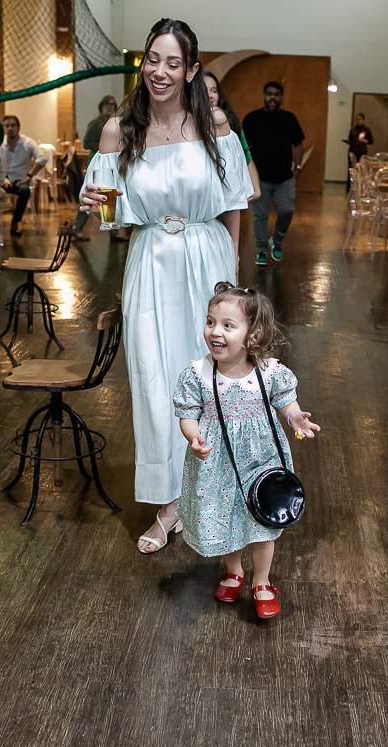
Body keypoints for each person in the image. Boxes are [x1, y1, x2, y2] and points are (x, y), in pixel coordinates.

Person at [78, 18, 253, 553]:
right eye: (153, 59)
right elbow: (109, 217)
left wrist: (235, 288)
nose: (161, 70)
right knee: (157, 385)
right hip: (151, 261)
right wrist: (90, 205)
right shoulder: (118, 132)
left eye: (174, 62)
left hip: (208, 259)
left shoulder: (215, 125)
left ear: (192, 70)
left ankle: (215, 497)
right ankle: (167, 507)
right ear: (143, 64)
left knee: (211, 380)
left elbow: (234, 206)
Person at [174, 283, 319, 618]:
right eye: (211, 322)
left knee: (260, 522)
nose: (215, 332)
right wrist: (193, 437)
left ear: (253, 333)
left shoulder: (268, 372)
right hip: (217, 464)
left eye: (228, 325)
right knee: (227, 519)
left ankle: (262, 581)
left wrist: (295, 417)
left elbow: (285, 400)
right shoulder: (198, 374)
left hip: (260, 461)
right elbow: (187, 413)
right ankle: (235, 571)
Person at [243, 81, 304, 267]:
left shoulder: (289, 118)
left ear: (281, 97)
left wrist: (298, 167)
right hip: (260, 178)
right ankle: (261, 250)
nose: (272, 97)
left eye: (276, 94)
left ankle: (276, 240)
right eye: (269, 94)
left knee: (287, 211)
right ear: (263, 95)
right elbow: (243, 146)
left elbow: (298, 143)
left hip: (284, 178)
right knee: (260, 217)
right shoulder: (252, 118)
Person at [203, 72, 259, 202]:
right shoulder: (186, 124)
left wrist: (256, 190)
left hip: (227, 194)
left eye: (214, 91)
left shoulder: (232, 122)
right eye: (204, 91)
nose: (210, 96)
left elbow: (245, 155)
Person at [71, 95, 118, 241]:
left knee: (111, 197)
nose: (110, 106)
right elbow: (86, 143)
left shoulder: (115, 122)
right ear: (101, 106)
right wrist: (104, 146)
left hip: (112, 163)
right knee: (90, 196)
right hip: (97, 163)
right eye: (107, 104)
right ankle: (77, 228)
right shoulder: (96, 123)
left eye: (112, 104)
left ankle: (113, 232)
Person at [0, 115, 48, 237]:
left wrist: (29, 175)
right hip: (2, 180)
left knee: (25, 191)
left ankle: (15, 222)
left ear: (18, 128)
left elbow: (42, 159)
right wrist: (2, 178)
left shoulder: (28, 143)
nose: (10, 128)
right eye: (7, 125)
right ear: (4, 128)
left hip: (21, 180)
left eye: (13, 125)